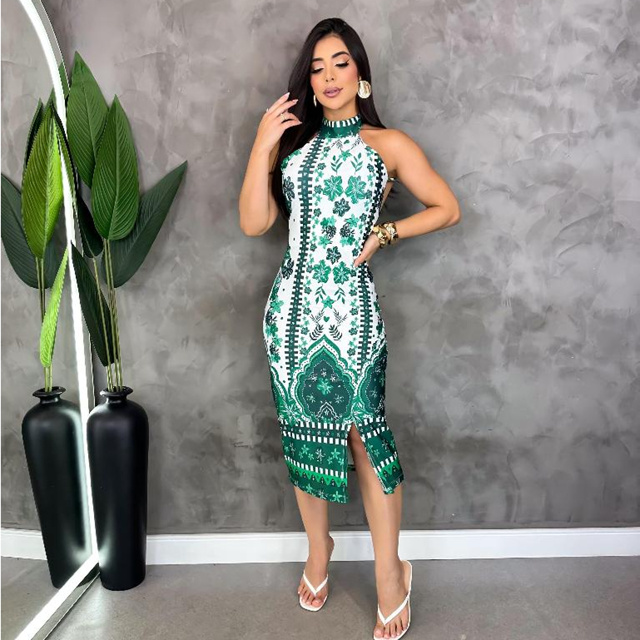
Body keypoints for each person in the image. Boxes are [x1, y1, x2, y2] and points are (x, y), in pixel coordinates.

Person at [239, 17, 460, 640]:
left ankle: (391, 574)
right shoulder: (292, 148)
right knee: (303, 436)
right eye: (317, 68)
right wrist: (261, 144)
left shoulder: (387, 144)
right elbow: (254, 223)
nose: (329, 76)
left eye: (340, 63)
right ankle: (320, 551)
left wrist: (387, 232)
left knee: (365, 437)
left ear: (361, 73)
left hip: (353, 315)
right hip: (290, 315)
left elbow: (447, 208)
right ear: (307, 82)